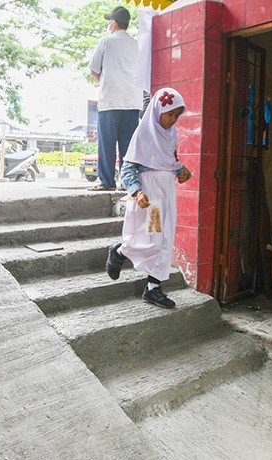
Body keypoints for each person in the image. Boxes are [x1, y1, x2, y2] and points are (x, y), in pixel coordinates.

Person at [105, 87, 191, 309]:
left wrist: (181, 170)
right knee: (152, 239)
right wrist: (135, 191)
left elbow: (168, 162)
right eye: (169, 114)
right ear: (157, 110)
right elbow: (128, 168)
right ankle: (120, 251)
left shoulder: (171, 136)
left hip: (167, 194)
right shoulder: (143, 134)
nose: (173, 120)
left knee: (165, 240)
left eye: (176, 116)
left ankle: (153, 288)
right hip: (151, 198)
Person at [88, 5, 142, 192]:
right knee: (128, 144)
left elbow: (94, 70)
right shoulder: (137, 45)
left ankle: (107, 182)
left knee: (107, 143)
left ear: (113, 23)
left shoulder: (106, 41)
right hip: (132, 100)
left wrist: (102, 80)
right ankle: (128, 183)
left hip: (110, 99)